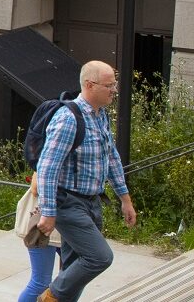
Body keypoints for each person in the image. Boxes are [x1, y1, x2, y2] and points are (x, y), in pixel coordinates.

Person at [33, 60, 137, 302]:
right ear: (90, 85)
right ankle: (48, 298)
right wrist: (49, 212)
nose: (114, 90)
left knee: (73, 269)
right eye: (109, 85)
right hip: (68, 204)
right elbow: (47, 168)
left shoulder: (101, 116)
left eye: (115, 84)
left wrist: (125, 199)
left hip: (92, 203)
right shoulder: (68, 119)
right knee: (100, 257)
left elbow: (111, 157)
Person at [17, 169, 63, 302]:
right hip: (43, 226)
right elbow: (35, 188)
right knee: (41, 282)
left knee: (71, 281)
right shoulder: (50, 152)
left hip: (70, 224)